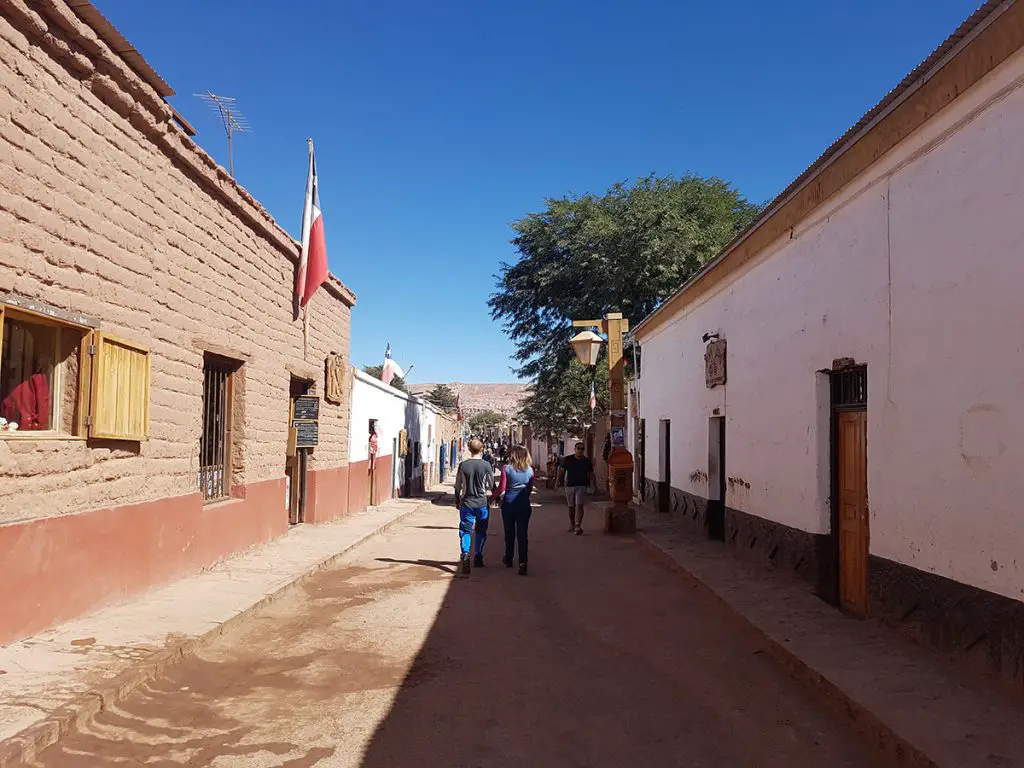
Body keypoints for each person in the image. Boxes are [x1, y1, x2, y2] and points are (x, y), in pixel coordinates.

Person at [454, 438, 495, 574]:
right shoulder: (486, 465)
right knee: (481, 531)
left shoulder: (463, 465)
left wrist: (457, 500)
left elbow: (458, 484)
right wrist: (495, 497)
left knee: (466, 530)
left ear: (469, 449)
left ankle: (465, 554)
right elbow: (491, 484)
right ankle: (478, 555)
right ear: (482, 449)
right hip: (482, 503)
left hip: (467, 503)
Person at [494, 444, 534, 575]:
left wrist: (492, 498)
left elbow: (502, 488)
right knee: (522, 534)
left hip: (509, 503)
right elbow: (529, 489)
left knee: (509, 532)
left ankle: (509, 557)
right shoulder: (530, 470)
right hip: (523, 503)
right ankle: (523, 562)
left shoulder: (507, 468)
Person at [557, 441, 596, 535]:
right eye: (578, 448)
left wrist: (594, 485)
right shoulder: (568, 459)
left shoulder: (586, 461)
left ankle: (578, 525)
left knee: (579, 505)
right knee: (571, 506)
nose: (580, 450)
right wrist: (557, 481)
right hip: (569, 485)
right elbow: (561, 471)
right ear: (575, 449)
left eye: (582, 449)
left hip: (581, 486)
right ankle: (572, 523)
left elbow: (591, 473)